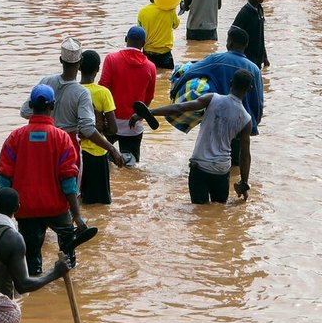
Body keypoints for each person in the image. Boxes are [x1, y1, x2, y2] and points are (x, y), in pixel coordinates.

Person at [1, 84, 91, 276]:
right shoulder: (62, 138)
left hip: (25, 209)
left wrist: (3, 215)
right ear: (52, 106)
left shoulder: (15, 138)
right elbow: (68, 181)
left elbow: (4, 179)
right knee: (68, 257)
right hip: (57, 209)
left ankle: (36, 287)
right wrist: (76, 215)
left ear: (30, 106)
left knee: (31, 263)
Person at [142, 69, 256, 203]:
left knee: (198, 210)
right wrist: (244, 183)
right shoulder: (246, 119)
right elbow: (245, 154)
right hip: (221, 170)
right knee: (218, 210)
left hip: (200, 167)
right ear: (249, 89)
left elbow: (180, 107)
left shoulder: (212, 99)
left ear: (231, 83)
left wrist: (149, 112)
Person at [171, 26, 266, 134]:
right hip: (242, 125)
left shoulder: (215, 60)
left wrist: (174, 91)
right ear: (246, 45)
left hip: (218, 122)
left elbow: (189, 73)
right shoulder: (255, 70)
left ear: (230, 43)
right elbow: (258, 101)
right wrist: (254, 124)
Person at [100, 27, 158, 165]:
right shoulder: (151, 67)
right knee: (131, 166)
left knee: (106, 164)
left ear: (126, 39)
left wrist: (101, 117)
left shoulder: (111, 59)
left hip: (111, 121)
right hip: (134, 125)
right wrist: (139, 115)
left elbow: (102, 89)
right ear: (143, 43)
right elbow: (149, 97)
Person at [76, 49, 120, 204]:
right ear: (97, 69)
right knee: (99, 204)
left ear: (79, 67)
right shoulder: (103, 93)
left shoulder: (73, 90)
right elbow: (113, 129)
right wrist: (99, 127)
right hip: (98, 151)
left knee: (78, 199)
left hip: (75, 151)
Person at [231, 0, 270, 69]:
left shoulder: (260, 9)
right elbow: (232, 32)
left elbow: (261, 35)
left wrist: (265, 57)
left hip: (258, 58)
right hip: (247, 59)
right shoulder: (245, 12)